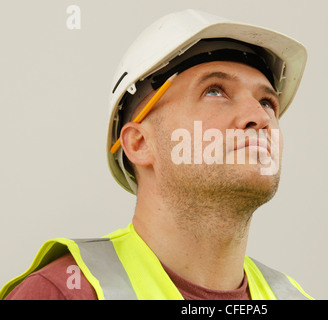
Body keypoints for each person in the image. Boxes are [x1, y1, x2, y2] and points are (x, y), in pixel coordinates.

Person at [1, 9, 312, 300]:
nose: (258, 116)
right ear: (138, 143)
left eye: (267, 102)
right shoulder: (64, 292)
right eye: (215, 91)